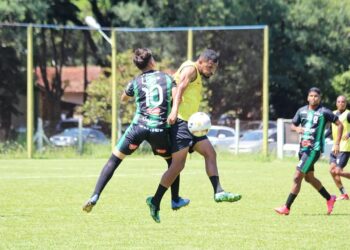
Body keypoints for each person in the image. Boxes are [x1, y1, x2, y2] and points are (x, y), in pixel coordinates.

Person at [82, 48, 189, 213]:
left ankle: (95, 195)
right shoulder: (166, 78)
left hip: (138, 127)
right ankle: (175, 199)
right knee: (172, 163)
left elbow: (124, 97)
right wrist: (173, 109)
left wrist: (134, 94)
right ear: (152, 61)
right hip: (159, 130)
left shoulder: (135, 82)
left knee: (114, 160)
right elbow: (178, 98)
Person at [146, 49, 241, 223]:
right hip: (180, 123)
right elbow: (179, 88)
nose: (212, 72)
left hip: (192, 125)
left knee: (210, 153)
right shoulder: (190, 69)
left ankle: (218, 191)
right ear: (205, 62)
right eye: (211, 68)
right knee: (177, 167)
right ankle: (155, 200)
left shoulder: (196, 73)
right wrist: (174, 112)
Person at [274, 87, 343, 216]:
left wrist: (337, 143)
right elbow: (293, 125)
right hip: (303, 150)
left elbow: (340, 124)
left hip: (313, 150)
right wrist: (298, 129)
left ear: (320, 98)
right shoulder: (302, 111)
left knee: (296, 177)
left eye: (316, 96)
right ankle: (329, 198)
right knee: (309, 178)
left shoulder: (324, 112)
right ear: (307, 97)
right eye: (311, 96)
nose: (313, 98)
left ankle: (286, 207)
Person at [328, 95, 350, 200]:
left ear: (346, 103)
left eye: (343, 102)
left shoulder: (348, 114)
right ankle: (344, 194)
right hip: (334, 147)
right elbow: (329, 130)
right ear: (336, 103)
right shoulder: (332, 114)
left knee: (337, 171)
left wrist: (349, 134)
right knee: (332, 170)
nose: (341, 103)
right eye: (339, 102)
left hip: (345, 147)